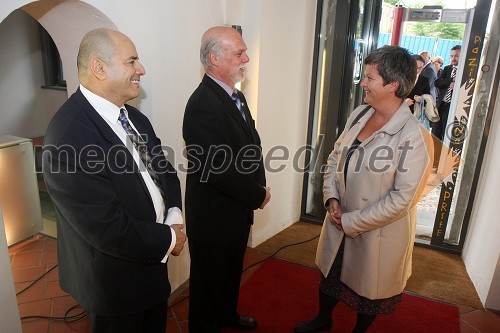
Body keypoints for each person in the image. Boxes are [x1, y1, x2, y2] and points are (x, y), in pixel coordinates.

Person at [42, 28, 186, 333]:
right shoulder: (69, 136)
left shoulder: (135, 118)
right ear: (99, 68)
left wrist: (174, 214)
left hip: (154, 267)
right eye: (132, 61)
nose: (141, 69)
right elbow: (106, 227)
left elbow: (165, 173)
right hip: (115, 284)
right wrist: (171, 238)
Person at [294, 46, 431, 333]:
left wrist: (351, 221)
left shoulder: (414, 137)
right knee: (330, 274)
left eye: (369, 78)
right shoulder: (359, 114)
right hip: (339, 218)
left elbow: (401, 200)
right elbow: (334, 158)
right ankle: (324, 319)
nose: (363, 83)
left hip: (375, 232)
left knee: (368, 292)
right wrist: (331, 197)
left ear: (393, 85)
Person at [183, 26, 271, 333]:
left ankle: (227, 316)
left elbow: (249, 147)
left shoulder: (236, 96)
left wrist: (255, 189)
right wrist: (257, 195)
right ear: (214, 59)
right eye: (239, 53)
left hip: (236, 212)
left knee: (231, 272)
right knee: (208, 284)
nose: (246, 58)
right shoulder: (201, 105)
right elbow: (217, 169)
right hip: (213, 217)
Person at [432, 45, 461, 142]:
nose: (453, 58)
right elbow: (437, 83)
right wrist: (450, 80)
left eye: (456, 56)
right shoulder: (448, 68)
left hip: (452, 106)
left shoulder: (464, 71)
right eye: (451, 56)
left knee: (446, 132)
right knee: (435, 132)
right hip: (441, 105)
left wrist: (457, 86)